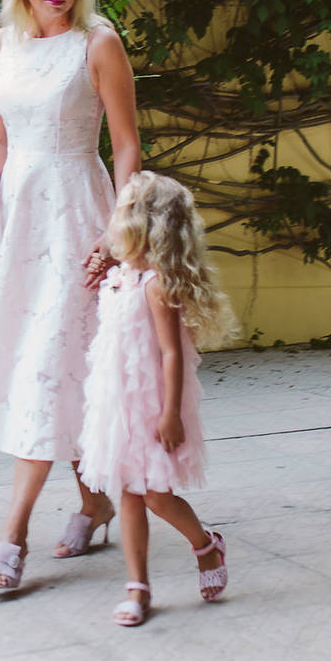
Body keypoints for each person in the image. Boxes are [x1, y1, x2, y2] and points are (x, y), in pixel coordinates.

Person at [0, 0, 141, 591]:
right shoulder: (2, 46)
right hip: (21, 219)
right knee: (56, 365)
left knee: (55, 360)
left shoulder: (100, 43)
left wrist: (117, 231)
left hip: (79, 211)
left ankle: (13, 532)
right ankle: (94, 501)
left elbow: (127, 147)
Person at [78, 172, 239, 626]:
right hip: (116, 402)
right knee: (127, 493)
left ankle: (206, 546)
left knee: (155, 495)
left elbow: (172, 354)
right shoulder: (120, 276)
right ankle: (137, 588)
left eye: (126, 210)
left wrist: (170, 413)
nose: (116, 218)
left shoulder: (155, 284)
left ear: (150, 224)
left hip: (153, 403)